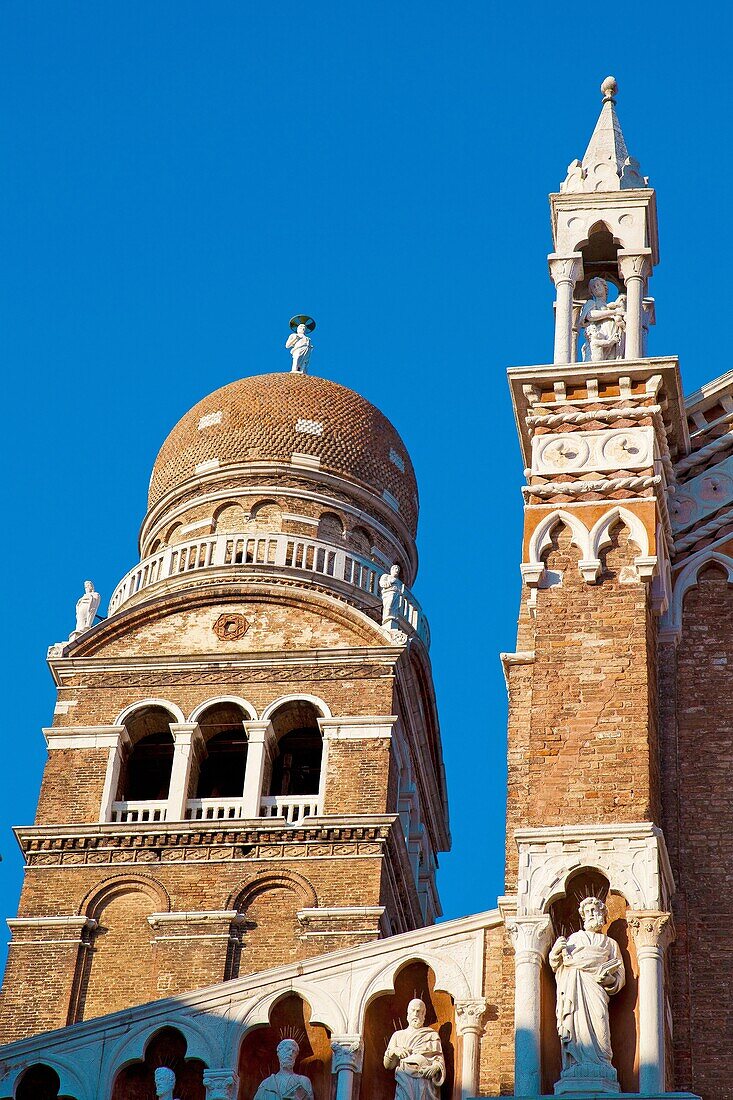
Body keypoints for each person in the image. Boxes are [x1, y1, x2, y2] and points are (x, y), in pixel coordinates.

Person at [549, 896, 625, 1080]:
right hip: (575, 988)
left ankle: (602, 1063)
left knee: (600, 1022)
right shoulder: (574, 939)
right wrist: (555, 952)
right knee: (576, 1026)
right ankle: (576, 1063)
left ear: (603, 915)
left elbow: (620, 975)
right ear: (583, 916)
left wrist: (608, 979)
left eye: (595, 911)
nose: (591, 914)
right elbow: (559, 966)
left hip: (596, 990)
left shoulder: (610, 944)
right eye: (588, 912)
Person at [384, 998, 446, 1100]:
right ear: (408, 1014)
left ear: (423, 1015)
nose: (416, 1014)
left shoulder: (431, 1035)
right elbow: (388, 1065)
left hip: (425, 1081)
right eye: (413, 1010)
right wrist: (394, 1051)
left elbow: (439, 1060)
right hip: (404, 1080)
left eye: (419, 1011)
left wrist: (434, 1068)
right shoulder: (398, 1035)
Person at [579, 278, 626, 362]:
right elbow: (590, 315)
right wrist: (613, 312)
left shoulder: (610, 306)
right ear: (591, 292)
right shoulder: (591, 303)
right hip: (599, 335)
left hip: (613, 335)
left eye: (598, 285)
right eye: (593, 287)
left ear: (605, 287)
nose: (596, 288)